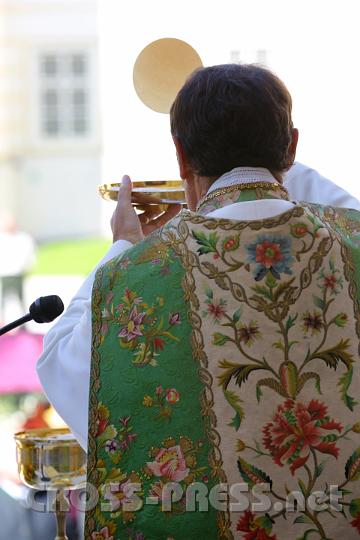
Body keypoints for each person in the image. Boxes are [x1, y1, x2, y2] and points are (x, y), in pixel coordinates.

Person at [38, 64, 360, 539]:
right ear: (292, 146)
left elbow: (63, 362)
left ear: (181, 157)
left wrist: (123, 247)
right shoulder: (351, 244)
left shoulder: (135, 278)